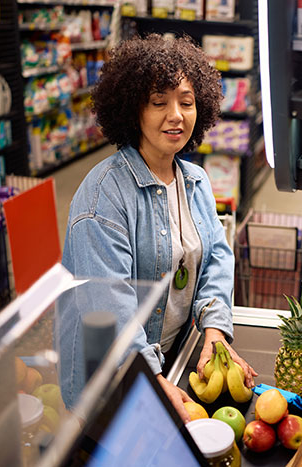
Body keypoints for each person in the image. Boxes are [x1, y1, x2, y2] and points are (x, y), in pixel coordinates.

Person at [61, 34, 257, 422]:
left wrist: (215, 330)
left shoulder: (195, 180)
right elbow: (109, 307)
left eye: (186, 102)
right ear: (133, 110)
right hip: (111, 379)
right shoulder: (104, 200)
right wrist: (150, 376)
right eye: (158, 103)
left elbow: (216, 257)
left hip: (170, 357)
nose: (176, 115)